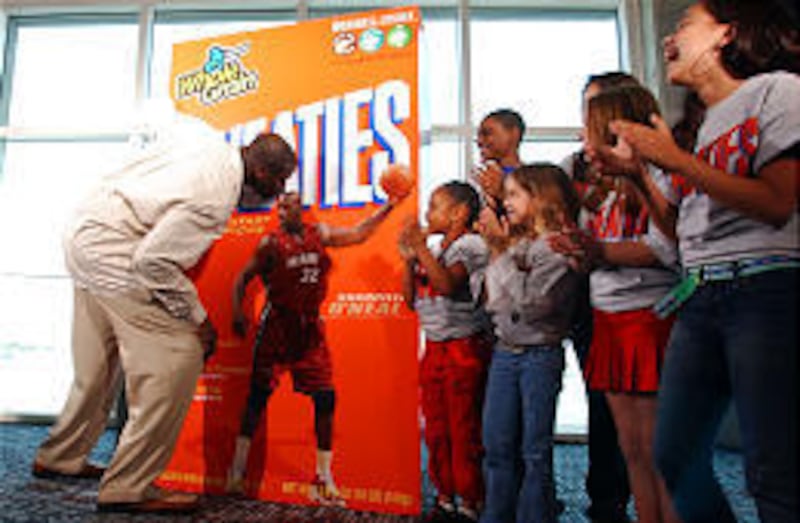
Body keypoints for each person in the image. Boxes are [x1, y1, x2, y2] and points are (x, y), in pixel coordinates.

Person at [589, 1, 799, 520]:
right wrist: (639, 174)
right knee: (674, 457)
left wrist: (675, 161)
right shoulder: (701, 125)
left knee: (773, 470)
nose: (669, 38)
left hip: (765, 287)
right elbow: (679, 234)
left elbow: (777, 202)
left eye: (684, 24)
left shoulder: (778, 91)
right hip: (701, 294)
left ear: (726, 33)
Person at [31, 117, 296, 514]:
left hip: (84, 232)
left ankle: (61, 455)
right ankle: (129, 486)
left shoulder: (208, 140)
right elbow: (153, 263)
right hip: (115, 253)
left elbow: (164, 127)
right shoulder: (214, 197)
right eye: (280, 181)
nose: (282, 191)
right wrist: (199, 321)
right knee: (179, 357)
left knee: (99, 360)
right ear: (261, 172)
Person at [226, 189, 405, 505]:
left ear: (301, 209)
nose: (283, 212)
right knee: (257, 398)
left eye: (289, 207)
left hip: (309, 329)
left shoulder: (318, 234)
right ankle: (236, 473)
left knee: (325, 398)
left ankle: (323, 477)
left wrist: (389, 207)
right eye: (280, 208)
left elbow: (359, 233)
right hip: (278, 327)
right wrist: (238, 313)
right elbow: (241, 278)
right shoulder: (270, 244)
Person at [559, 85, 681, 523]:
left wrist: (599, 251)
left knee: (660, 451)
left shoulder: (659, 180)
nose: (584, 140)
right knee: (632, 450)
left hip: (648, 322)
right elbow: (598, 253)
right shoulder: (606, 194)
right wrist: (579, 251)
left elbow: (667, 248)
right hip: (609, 321)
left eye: (590, 129)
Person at [476, 164, 581, 523]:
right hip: (505, 354)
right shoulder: (516, 244)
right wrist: (502, 253)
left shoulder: (557, 246)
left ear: (541, 198)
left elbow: (531, 306)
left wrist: (500, 252)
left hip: (540, 355)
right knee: (496, 445)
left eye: (514, 194)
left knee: (534, 451)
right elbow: (495, 302)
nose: (505, 202)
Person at [561, 72, 641, 523]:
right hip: (588, 297)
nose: (590, 118)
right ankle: (606, 499)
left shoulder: (648, 164)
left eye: (599, 107)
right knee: (601, 401)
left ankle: (626, 498)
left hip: (641, 305)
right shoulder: (573, 164)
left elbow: (665, 242)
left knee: (643, 420)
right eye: (587, 107)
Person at [398, 181, 491, 523]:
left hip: (463, 348)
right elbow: (410, 300)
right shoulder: (434, 250)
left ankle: (469, 500)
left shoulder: (471, 245)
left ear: (459, 213)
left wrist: (420, 248)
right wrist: (409, 260)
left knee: (463, 426)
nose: (427, 214)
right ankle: (445, 495)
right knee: (436, 427)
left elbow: (448, 285)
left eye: (435, 207)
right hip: (435, 347)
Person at [473, 109, 525, 211]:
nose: (479, 141)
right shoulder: (482, 178)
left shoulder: (535, 181)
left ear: (514, 134)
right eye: (478, 136)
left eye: (487, 134)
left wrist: (501, 193)